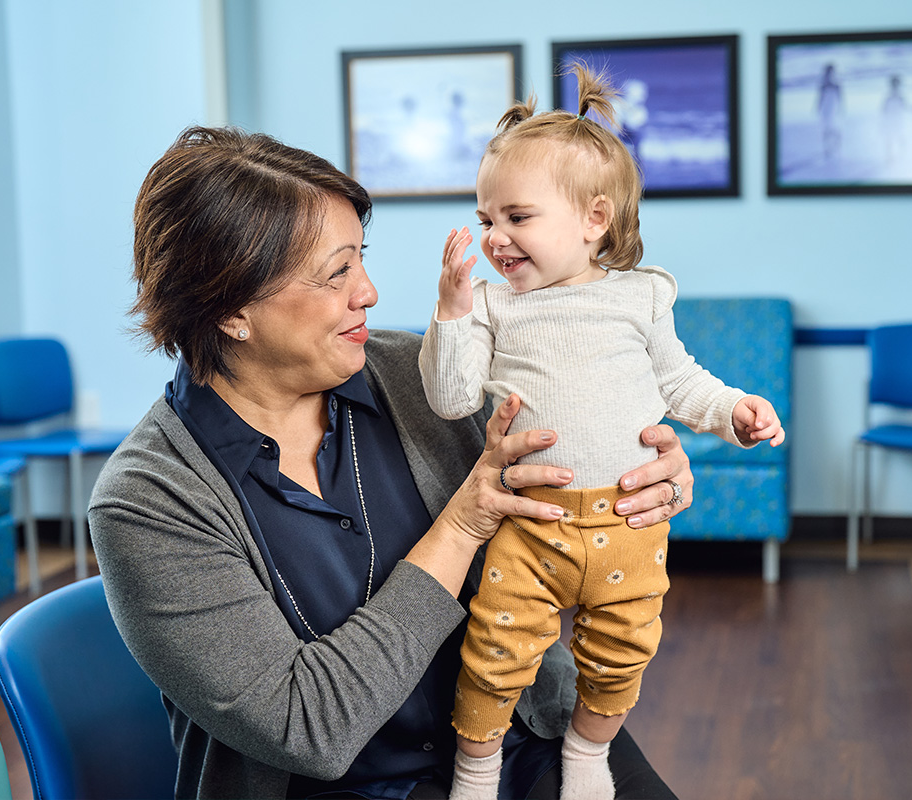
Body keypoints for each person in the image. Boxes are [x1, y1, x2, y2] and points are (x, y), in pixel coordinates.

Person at [89, 125, 697, 800]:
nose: (369, 292)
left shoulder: (413, 375)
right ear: (232, 309)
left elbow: (570, 456)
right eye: (337, 272)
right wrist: (461, 527)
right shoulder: (148, 500)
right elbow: (308, 729)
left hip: (521, 735)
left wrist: (649, 474)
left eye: (361, 259)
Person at [418, 65, 786, 800]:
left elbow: (679, 382)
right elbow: (452, 396)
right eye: (486, 219)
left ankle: (588, 750)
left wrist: (735, 410)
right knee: (496, 655)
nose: (495, 238)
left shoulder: (642, 297)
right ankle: (476, 767)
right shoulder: (492, 307)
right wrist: (452, 308)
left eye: (517, 218)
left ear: (595, 219)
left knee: (622, 653)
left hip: (626, 518)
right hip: (531, 523)